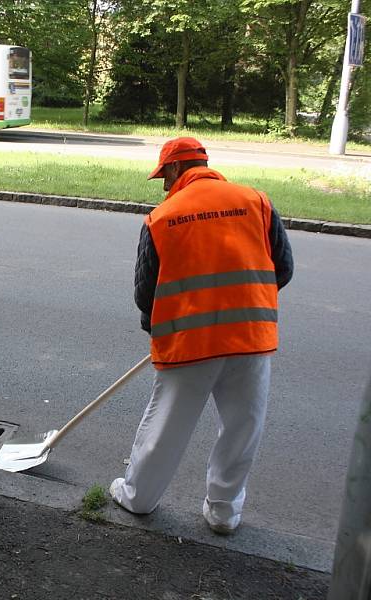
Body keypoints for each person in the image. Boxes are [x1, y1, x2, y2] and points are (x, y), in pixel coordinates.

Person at [109, 137, 294, 535]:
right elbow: (284, 267)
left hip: (190, 344)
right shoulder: (256, 202)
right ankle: (224, 512)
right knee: (243, 426)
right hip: (250, 338)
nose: (162, 186)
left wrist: (158, 326)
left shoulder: (164, 217)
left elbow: (145, 292)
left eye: (163, 176)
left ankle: (138, 498)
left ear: (176, 170)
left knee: (166, 427)